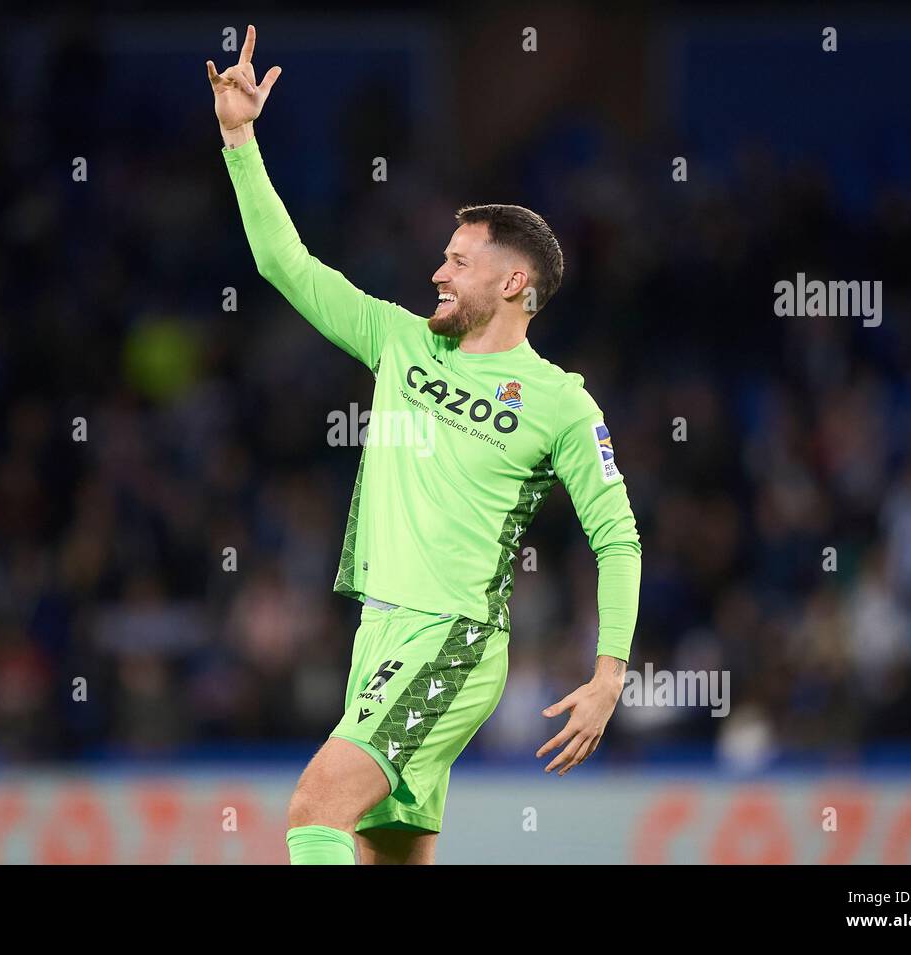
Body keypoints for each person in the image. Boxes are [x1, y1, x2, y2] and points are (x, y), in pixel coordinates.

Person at [208, 25, 641, 864]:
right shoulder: (399, 342)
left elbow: (615, 535)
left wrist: (609, 672)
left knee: (315, 806)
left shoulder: (559, 400)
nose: (437, 273)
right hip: (379, 634)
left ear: (513, 281)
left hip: (453, 637)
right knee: (383, 853)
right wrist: (239, 137)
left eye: (457, 261)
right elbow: (284, 264)